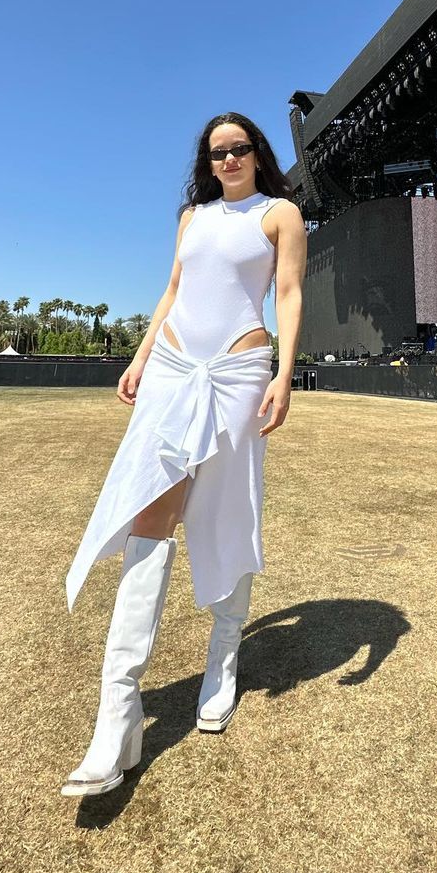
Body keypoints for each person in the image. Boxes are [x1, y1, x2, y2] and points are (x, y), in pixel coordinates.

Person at [60, 113, 307, 798]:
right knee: (149, 512)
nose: (227, 158)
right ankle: (119, 716)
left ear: (258, 153)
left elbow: (287, 293)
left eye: (239, 148)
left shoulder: (280, 213)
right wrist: (140, 356)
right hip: (172, 365)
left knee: (226, 511)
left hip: (238, 370)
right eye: (216, 151)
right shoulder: (191, 216)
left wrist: (285, 373)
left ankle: (222, 662)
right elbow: (172, 291)